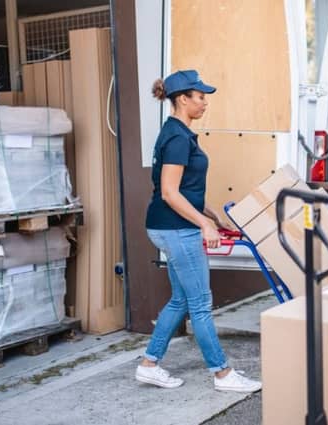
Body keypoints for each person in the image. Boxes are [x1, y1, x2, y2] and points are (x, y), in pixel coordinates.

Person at [137, 69, 262, 393]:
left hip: (172, 225)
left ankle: (149, 364)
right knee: (201, 303)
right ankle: (222, 373)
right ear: (183, 99)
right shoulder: (178, 137)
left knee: (181, 300)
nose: (205, 103)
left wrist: (210, 214)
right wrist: (204, 224)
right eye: (200, 97)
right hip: (176, 229)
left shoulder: (176, 132)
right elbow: (168, 191)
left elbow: (183, 190)